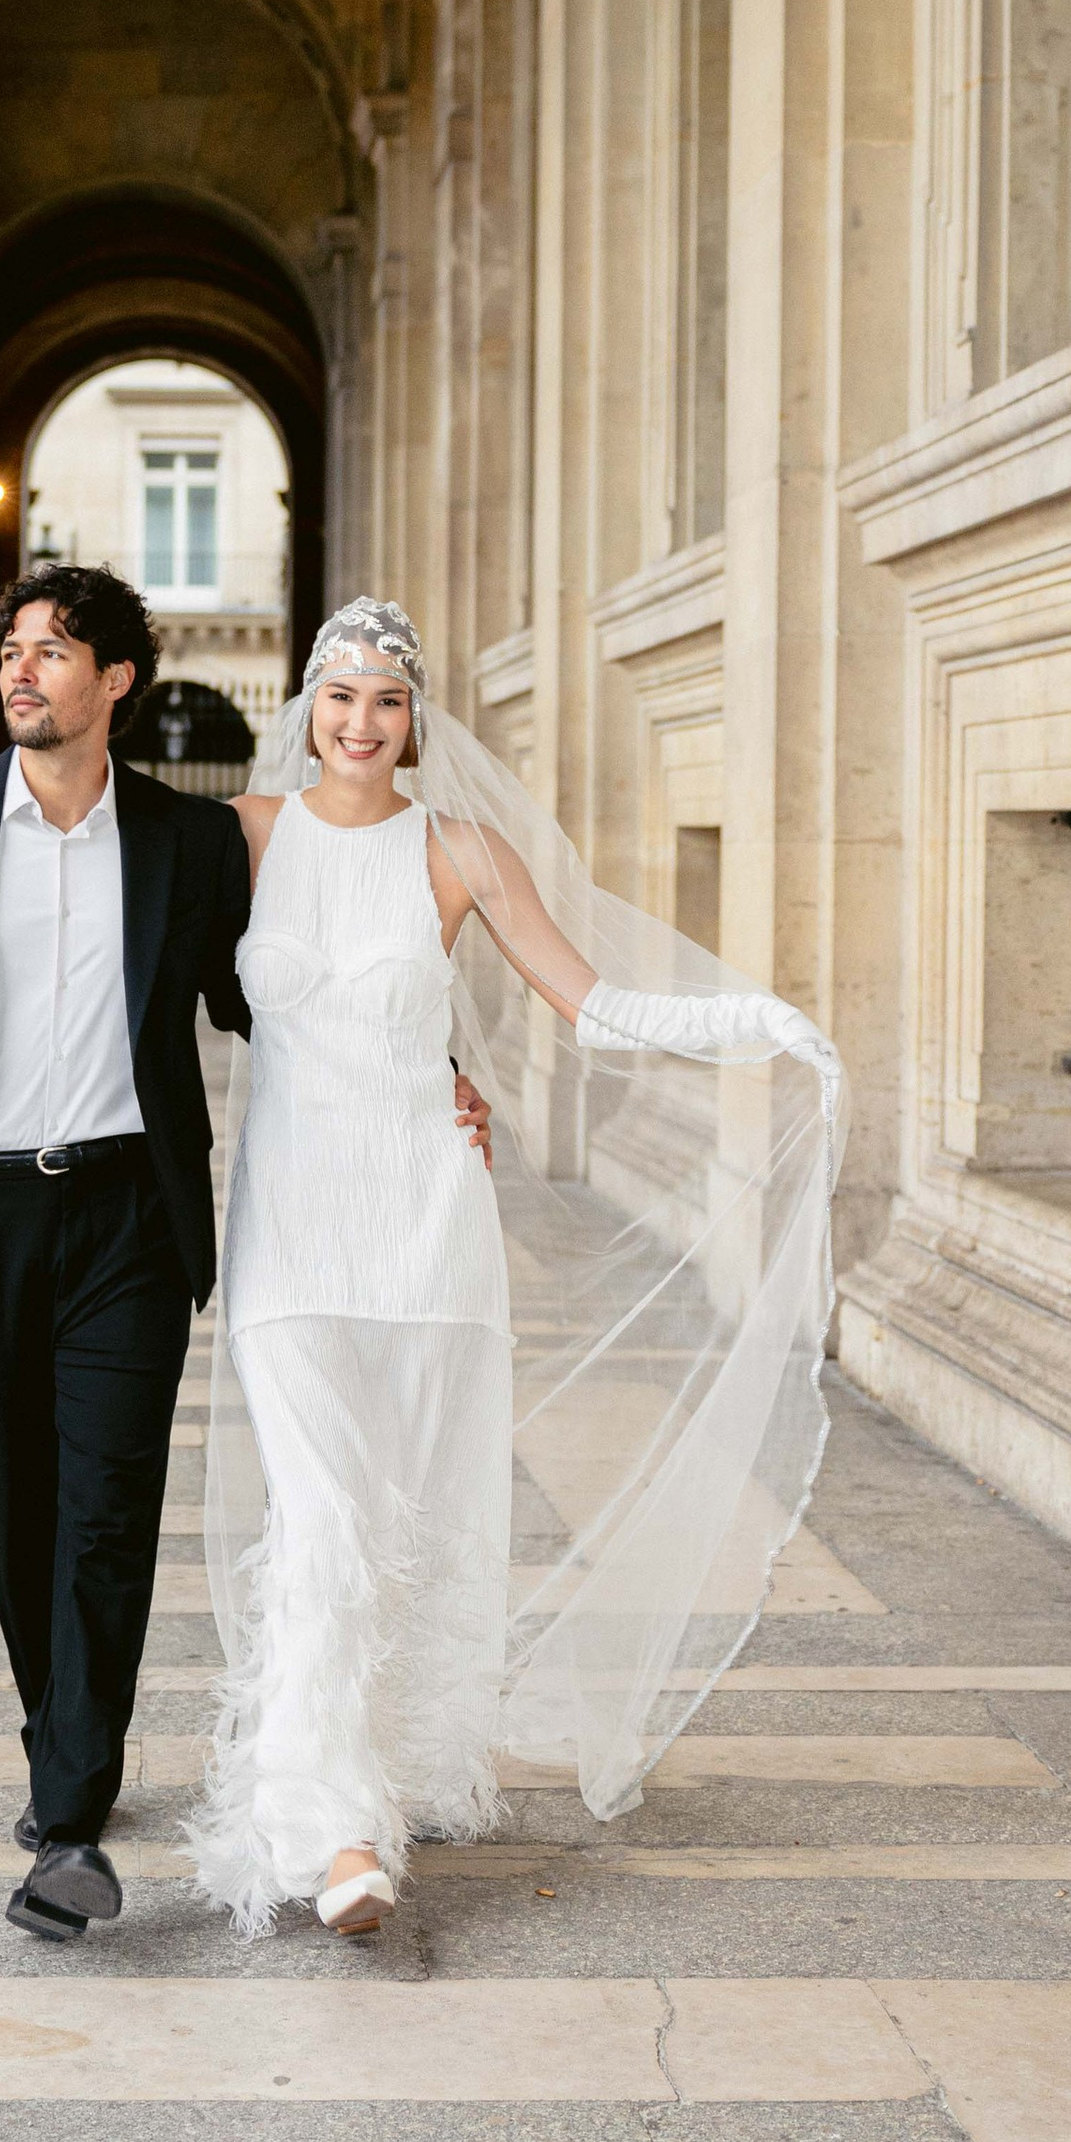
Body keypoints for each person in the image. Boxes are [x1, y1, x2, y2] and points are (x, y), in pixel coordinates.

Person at [0, 567, 491, 1945]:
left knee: (108, 1508)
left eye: (53, 653)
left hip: (129, 1215)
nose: (22, 674)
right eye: (12, 652)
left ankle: (70, 1812)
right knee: (20, 1509)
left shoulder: (185, 848)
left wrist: (439, 1075)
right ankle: (62, 1732)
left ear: (116, 681)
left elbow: (275, 1002)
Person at [184, 597, 844, 1939]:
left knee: (408, 1523)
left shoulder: (462, 852)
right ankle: (332, 1832)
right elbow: (121, 929)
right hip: (290, 1234)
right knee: (322, 1519)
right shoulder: (246, 838)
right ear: (305, 708)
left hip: (427, 1223)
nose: (360, 721)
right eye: (340, 694)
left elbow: (593, 1001)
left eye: (386, 699)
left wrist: (761, 1021)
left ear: (416, 722)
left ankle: (379, 1780)